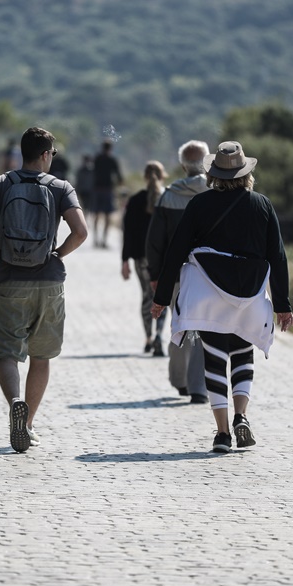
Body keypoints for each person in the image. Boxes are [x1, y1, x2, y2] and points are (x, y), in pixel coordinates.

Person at [151, 141, 293, 453]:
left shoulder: (200, 205)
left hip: (208, 292)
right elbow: (278, 257)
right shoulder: (263, 205)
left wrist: (161, 297)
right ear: (246, 173)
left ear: (213, 174)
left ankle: (221, 434)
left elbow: (176, 251)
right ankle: (241, 415)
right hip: (250, 294)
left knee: (214, 359)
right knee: (243, 353)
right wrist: (282, 305)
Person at [0, 127, 89, 453]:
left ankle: (15, 403)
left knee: (8, 353)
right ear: (46, 154)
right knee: (41, 356)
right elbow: (80, 231)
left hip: (8, 279)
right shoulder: (61, 187)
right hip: (49, 281)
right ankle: (28, 423)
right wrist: (58, 254)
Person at [146, 140, 211, 402]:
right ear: (206, 162)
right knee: (205, 327)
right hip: (209, 276)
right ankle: (199, 388)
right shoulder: (215, 192)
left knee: (179, 324)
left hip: (174, 275)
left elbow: (154, 240)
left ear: (183, 165)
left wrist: (154, 275)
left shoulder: (169, 194)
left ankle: (179, 380)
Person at [121, 161, 169, 356]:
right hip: (163, 257)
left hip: (141, 257)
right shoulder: (168, 198)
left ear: (145, 177)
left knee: (147, 296)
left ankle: (148, 337)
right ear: (163, 175)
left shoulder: (134, 201)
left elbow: (128, 233)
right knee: (162, 296)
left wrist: (124, 261)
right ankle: (159, 334)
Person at [91, 139, 123, 248]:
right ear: (110, 149)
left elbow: (92, 172)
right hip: (108, 189)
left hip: (97, 188)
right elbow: (119, 176)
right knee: (107, 216)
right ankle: (104, 240)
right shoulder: (112, 159)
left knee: (96, 214)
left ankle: (95, 239)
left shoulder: (97, 158)